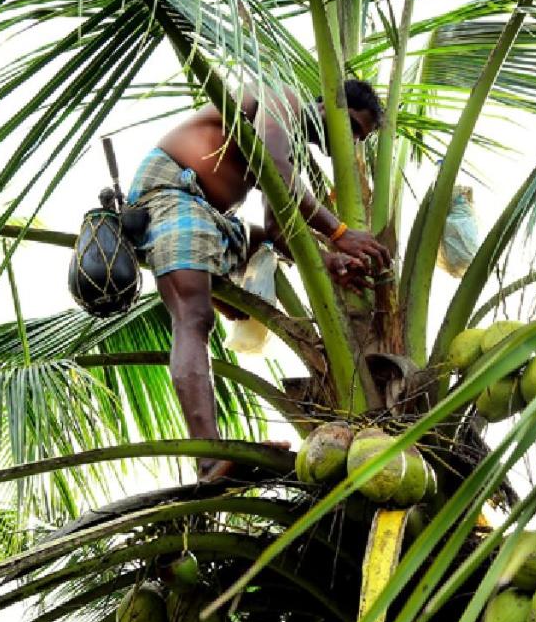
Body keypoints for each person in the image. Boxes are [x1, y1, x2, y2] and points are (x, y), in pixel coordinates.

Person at [124, 78, 393, 482]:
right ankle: (209, 457)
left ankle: (220, 287)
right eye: (353, 127)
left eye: (361, 138)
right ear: (328, 107)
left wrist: (327, 260)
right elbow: (272, 164)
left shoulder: (291, 149)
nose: (352, 142)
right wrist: (339, 233)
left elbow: (278, 230)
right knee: (193, 318)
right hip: (173, 194)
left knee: (259, 248)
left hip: (213, 218)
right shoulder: (282, 96)